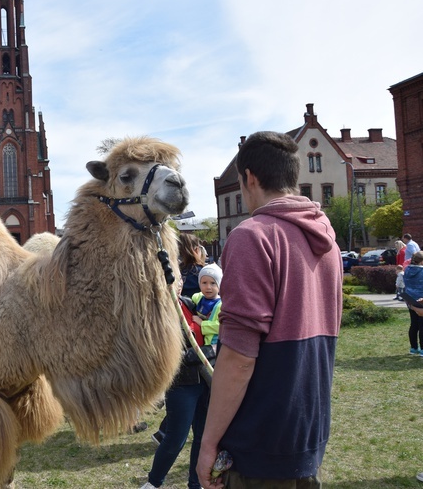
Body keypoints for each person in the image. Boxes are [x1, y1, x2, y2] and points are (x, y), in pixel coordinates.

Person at [196, 132, 342, 489]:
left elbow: (239, 358)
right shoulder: (328, 240)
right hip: (306, 437)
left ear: (249, 178)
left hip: (258, 443)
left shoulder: (253, 235)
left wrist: (207, 443)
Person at [141, 280, 217, 489]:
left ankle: (195, 484)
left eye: (179, 280)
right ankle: (153, 483)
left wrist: (212, 350)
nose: (177, 284)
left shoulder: (191, 304)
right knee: (176, 439)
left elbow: (210, 331)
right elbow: (159, 352)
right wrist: (197, 354)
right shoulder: (157, 313)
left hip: (205, 381)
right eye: (171, 281)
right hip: (182, 383)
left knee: (202, 437)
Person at [191, 264, 223, 346]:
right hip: (201, 341)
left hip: (214, 343)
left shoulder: (221, 305)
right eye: (204, 283)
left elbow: (220, 326)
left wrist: (202, 324)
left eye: (213, 283)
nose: (208, 287)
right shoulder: (198, 298)